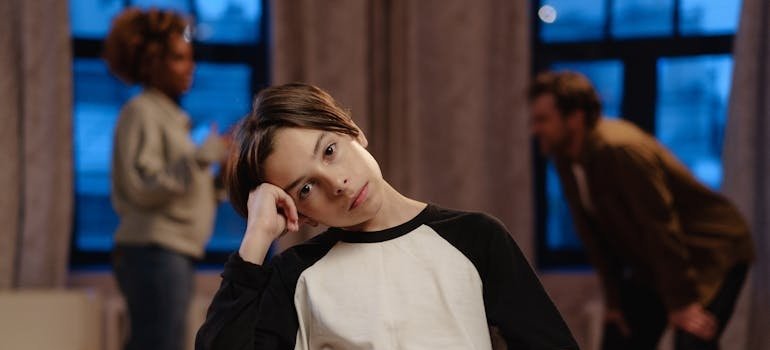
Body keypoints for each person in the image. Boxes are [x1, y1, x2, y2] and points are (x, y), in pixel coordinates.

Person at [195, 83, 579, 349]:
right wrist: (256, 240)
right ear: (301, 213)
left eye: (329, 151)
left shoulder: (476, 238)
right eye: (306, 189)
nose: (338, 184)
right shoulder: (295, 275)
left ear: (353, 131)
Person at [528, 71, 755, 350]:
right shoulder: (565, 158)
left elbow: (659, 224)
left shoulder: (620, 149)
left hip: (712, 249)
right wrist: (614, 302)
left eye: (542, 120)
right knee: (619, 335)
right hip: (656, 258)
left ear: (574, 117)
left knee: (693, 341)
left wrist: (681, 303)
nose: (535, 129)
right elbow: (595, 237)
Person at [104, 8, 227, 350]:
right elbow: (142, 187)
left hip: (170, 252)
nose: (190, 67)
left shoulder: (169, 116)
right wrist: (202, 157)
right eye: (178, 58)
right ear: (151, 62)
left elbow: (179, 187)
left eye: (189, 58)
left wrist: (219, 175)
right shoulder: (141, 111)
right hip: (154, 251)